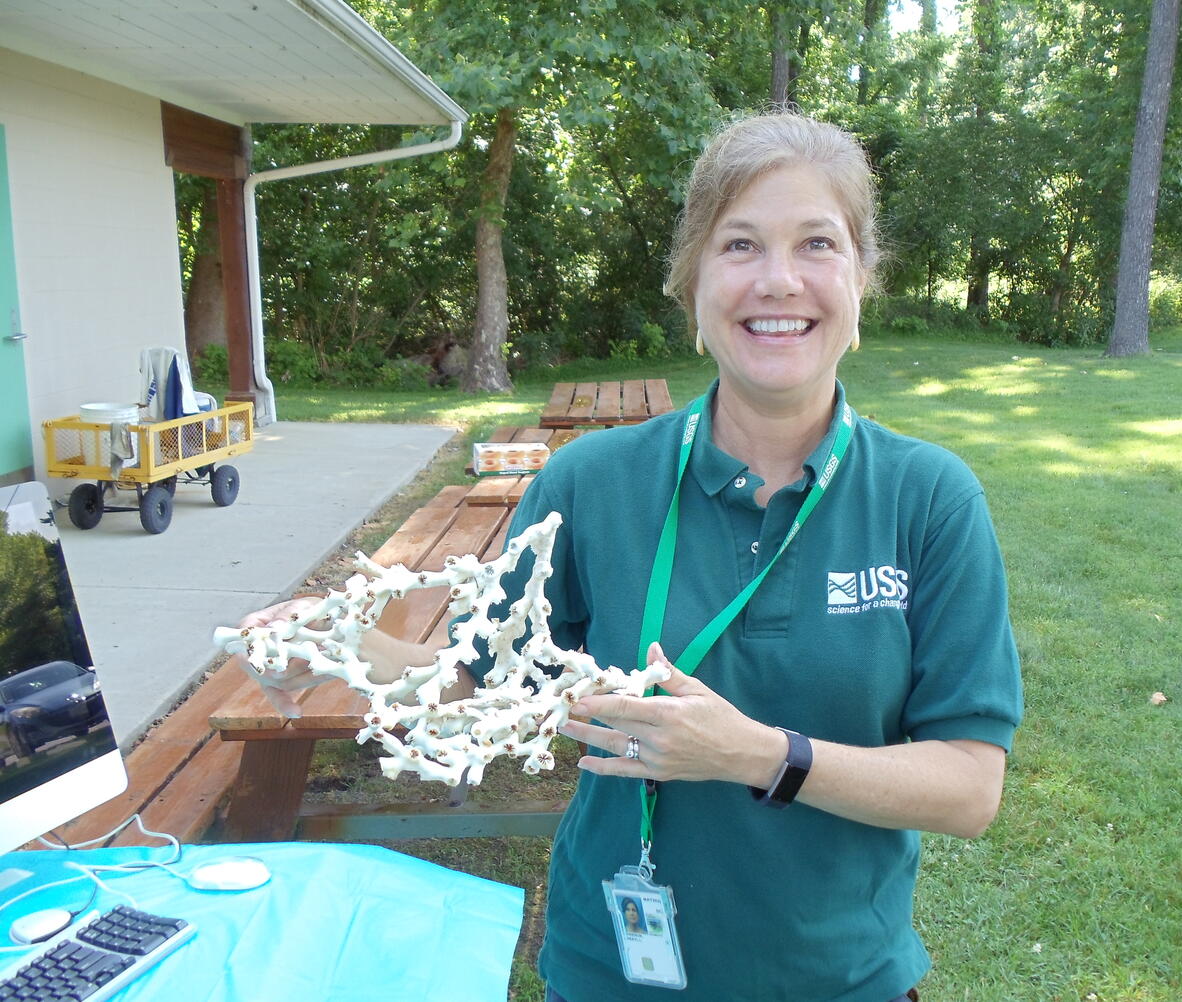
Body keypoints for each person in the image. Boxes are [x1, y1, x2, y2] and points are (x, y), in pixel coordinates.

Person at [240, 112, 1022, 1002]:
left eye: (817, 243)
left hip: (842, 981)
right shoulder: (589, 482)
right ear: (693, 281)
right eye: (739, 245)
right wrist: (346, 655)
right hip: (614, 974)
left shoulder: (930, 499)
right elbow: (476, 685)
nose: (778, 280)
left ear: (859, 280)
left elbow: (968, 786)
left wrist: (758, 755)